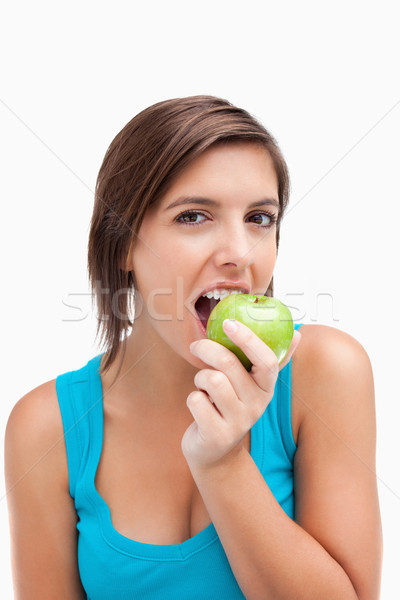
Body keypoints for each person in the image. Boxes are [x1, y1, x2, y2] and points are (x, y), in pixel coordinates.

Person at [5, 96, 382, 599]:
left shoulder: (325, 372)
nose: (239, 255)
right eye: (193, 217)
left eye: (259, 218)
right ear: (122, 246)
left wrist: (222, 463)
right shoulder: (47, 428)